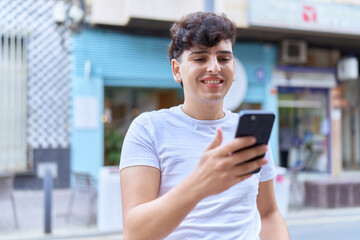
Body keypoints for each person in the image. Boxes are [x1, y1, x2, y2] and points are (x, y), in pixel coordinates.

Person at [120, 12, 289, 240]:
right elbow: (135, 233)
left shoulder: (249, 133)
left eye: (224, 58)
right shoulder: (148, 129)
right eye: (200, 59)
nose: (214, 67)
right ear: (177, 70)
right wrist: (200, 183)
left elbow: (269, 214)